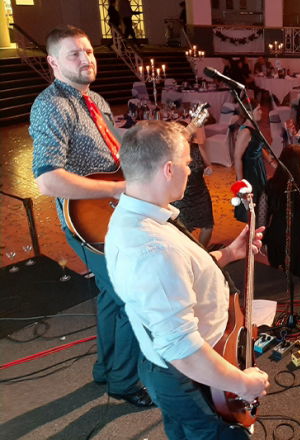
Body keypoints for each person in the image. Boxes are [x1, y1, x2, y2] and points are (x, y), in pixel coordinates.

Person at [105, 121, 269, 439]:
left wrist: (229, 253)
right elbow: (184, 350)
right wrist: (243, 383)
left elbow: (179, 276)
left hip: (177, 369)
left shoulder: (138, 215)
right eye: (187, 163)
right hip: (189, 378)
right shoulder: (153, 250)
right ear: (168, 169)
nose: (190, 171)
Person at [29, 25, 150, 407]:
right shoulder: (52, 105)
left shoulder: (94, 98)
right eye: (74, 54)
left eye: (89, 51)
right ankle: (124, 382)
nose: (86, 59)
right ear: (53, 63)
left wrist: (147, 138)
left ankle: (106, 370)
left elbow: (111, 151)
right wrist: (116, 189)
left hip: (110, 213)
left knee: (113, 297)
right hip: (86, 223)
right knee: (131, 299)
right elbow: (47, 180)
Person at [257, 145, 300, 279]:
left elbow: (261, 217)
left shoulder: (271, 184)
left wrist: (263, 240)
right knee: (299, 278)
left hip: (277, 237)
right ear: (297, 162)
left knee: (278, 277)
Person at [171, 124, 215, 248]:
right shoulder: (172, 154)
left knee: (208, 226)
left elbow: (209, 165)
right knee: (184, 231)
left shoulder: (198, 148)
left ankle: (202, 251)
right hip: (182, 198)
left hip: (201, 194)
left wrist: (209, 169)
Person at [233, 106, 269, 223]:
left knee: (259, 206)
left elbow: (257, 146)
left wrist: (270, 160)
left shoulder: (253, 127)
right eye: (258, 109)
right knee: (252, 209)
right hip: (250, 172)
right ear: (249, 112)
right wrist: (241, 183)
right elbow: (237, 157)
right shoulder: (245, 131)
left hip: (258, 169)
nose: (261, 112)